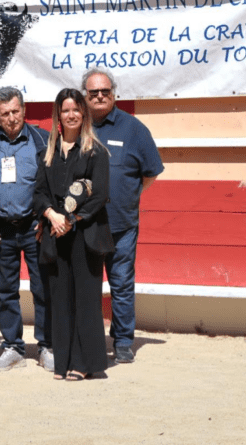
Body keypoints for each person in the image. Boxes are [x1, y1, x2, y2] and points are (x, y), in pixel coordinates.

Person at [82, 68, 165, 364]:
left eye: (105, 91)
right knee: (88, 287)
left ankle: (122, 342)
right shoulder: (77, 126)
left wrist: (128, 198)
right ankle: (89, 339)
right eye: (94, 93)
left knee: (121, 286)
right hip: (86, 226)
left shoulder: (134, 129)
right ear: (85, 97)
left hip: (122, 227)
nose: (100, 96)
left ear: (114, 93)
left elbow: (151, 173)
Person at [0, 87, 54, 373]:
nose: (11, 118)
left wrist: (47, 219)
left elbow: (54, 184)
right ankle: (14, 347)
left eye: (16, 111)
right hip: (1, 230)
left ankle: (46, 346)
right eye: (4, 113)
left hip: (36, 228)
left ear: (24, 110)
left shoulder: (42, 139)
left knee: (44, 287)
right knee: (6, 291)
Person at [34, 88, 113, 380]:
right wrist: (52, 215)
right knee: (60, 298)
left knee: (86, 300)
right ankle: (63, 360)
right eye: (65, 110)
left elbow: (100, 195)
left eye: (76, 110)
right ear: (58, 115)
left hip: (85, 234)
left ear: (84, 115)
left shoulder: (96, 151)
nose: (71, 115)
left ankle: (84, 362)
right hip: (56, 233)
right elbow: (39, 193)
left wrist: (71, 219)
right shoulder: (47, 153)